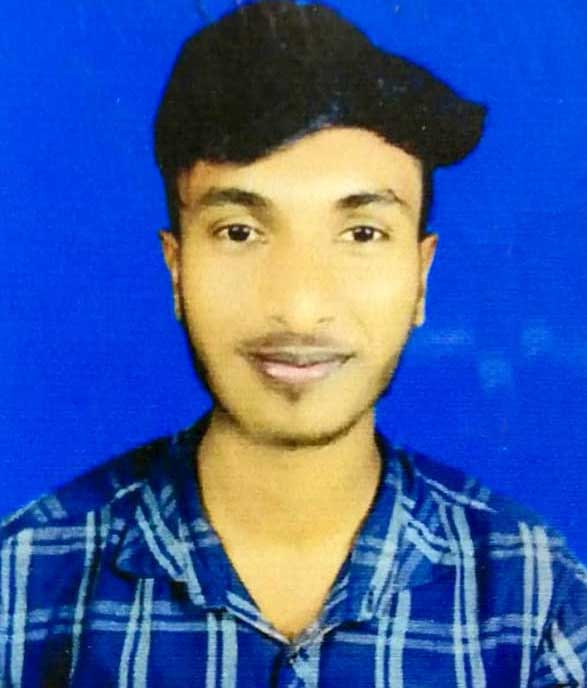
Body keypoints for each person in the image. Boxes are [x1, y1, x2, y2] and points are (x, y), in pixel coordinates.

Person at [1, 1, 585, 685]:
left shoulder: (535, 601)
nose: (300, 309)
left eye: (362, 234)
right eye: (240, 232)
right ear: (176, 269)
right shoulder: (24, 587)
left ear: (421, 276)